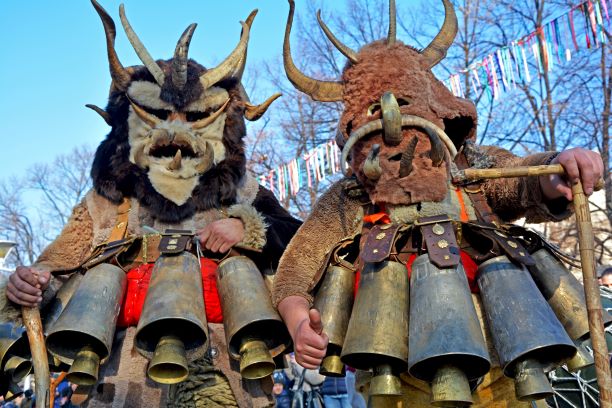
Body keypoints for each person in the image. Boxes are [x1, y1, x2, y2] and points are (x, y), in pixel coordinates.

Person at [273, 0, 605, 407]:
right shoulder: (350, 197)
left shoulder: (473, 168)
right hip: (398, 378)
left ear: (437, 105)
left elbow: (521, 181)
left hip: (501, 369)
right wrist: (298, 321)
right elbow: (295, 272)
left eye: (405, 101)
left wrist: (557, 170)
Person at [1, 1, 301, 407]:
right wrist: (31, 283)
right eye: (158, 115)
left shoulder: (244, 192)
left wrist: (246, 227)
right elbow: (57, 265)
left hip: (227, 373)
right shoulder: (105, 205)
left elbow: (301, 248)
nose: (174, 131)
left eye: (192, 117)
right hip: (122, 382)